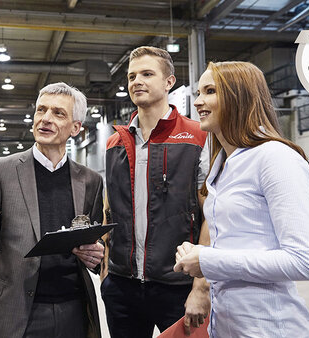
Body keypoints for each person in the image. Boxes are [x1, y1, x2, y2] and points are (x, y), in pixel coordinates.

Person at [174, 61, 309, 337]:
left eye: (209, 91)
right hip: (228, 325)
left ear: (238, 96)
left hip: (269, 327)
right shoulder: (224, 163)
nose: (198, 101)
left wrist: (208, 260)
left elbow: (304, 262)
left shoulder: (275, 158)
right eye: (198, 92)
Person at [0, 82, 105, 338]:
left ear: (75, 128)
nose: (46, 119)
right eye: (41, 110)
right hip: (19, 309)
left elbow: (95, 245)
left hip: (74, 308)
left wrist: (97, 255)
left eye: (58, 113)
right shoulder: (2, 171)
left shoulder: (90, 180)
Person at [102, 46, 210, 337]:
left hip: (178, 284)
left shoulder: (198, 136)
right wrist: (106, 273)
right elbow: (110, 209)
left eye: (147, 74)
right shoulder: (115, 143)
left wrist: (201, 288)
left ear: (169, 82)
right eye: (132, 76)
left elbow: (211, 215)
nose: (137, 81)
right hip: (122, 286)